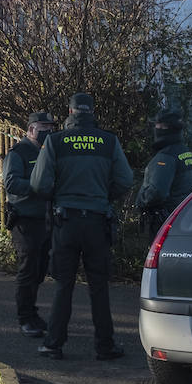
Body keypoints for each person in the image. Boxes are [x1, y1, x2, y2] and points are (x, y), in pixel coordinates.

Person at [29, 92, 133, 360]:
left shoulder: (55, 141)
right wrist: (101, 197)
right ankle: (105, 345)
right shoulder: (109, 142)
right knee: (98, 285)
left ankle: (54, 343)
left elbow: (39, 185)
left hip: (66, 222)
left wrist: (60, 194)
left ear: (70, 112)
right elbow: (124, 180)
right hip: (98, 221)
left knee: (64, 284)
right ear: (92, 112)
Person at [2, 111, 57, 337]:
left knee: (40, 269)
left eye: (51, 128)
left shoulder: (48, 152)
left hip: (45, 219)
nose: (49, 132)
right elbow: (12, 183)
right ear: (32, 129)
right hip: (25, 220)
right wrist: (38, 186)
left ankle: (32, 313)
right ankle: (25, 318)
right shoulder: (19, 153)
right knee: (28, 270)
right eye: (44, 128)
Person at [135, 109, 192, 241]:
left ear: (165, 127)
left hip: (164, 220)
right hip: (182, 216)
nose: (155, 128)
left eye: (157, 125)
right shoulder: (184, 151)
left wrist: (140, 199)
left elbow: (157, 192)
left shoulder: (165, 157)